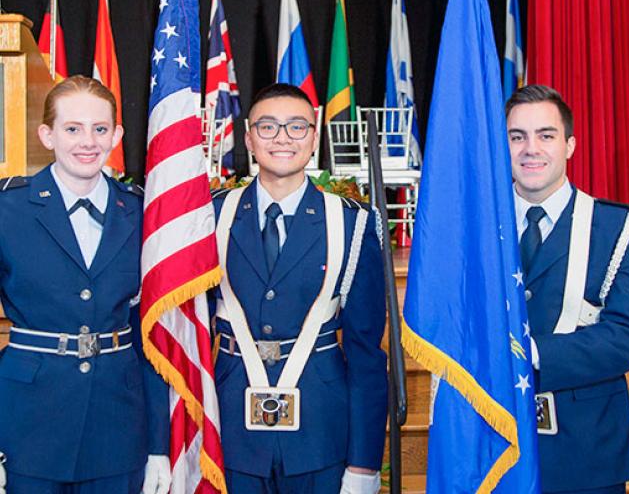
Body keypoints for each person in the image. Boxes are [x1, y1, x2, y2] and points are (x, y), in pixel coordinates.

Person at [211, 83, 387, 493]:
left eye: (296, 127)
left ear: (314, 135)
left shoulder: (351, 223)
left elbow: (365, 352)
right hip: (229, 424)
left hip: (321, 429)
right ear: (249, 137)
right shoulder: (212, 216)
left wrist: (363, 464)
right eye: (268, 127)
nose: (283, 138)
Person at [0, 76, 170, 493]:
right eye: (72, 128)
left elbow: (152, 333)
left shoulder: (140, 211)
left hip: (119, 422)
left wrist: (159, 447)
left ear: (117, 134)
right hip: (27, 422)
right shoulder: (9, 208)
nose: (87, 141)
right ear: (47, 134)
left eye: (100, 129)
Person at [505, 84, 629, 493]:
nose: (530, 148)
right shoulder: (478, 230)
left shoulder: (619, 227)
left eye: (546, 135)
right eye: (517, 137)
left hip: (587, 450)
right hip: (495, 442)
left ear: (570, 145)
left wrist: (533, 353)